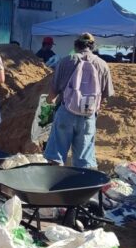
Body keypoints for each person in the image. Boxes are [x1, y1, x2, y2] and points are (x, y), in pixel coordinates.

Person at [44, 33, 114, 169]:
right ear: (93, 46)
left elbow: (53, 91)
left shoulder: (66, 61)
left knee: (56, 154)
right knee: (84, 159)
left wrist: (48, 103)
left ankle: (53, 183)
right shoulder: (102, 64)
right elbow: (105, 95)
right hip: (88, 115)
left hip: (66, 112)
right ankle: (79, 186)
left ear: (76, 45)